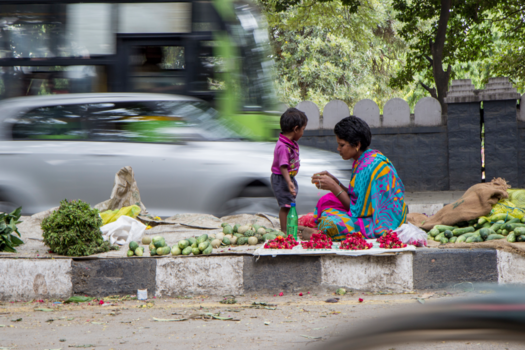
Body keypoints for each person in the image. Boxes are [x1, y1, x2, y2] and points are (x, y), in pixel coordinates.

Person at [310, 116, 407, 241]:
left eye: (341, 145)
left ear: (356, 144)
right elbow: (356, 197)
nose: (338, 149)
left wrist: (334, 187)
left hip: (380, 222)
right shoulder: (362, 161)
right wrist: (335, 181)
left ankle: (318, 233)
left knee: (331, 223)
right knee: (327, 200)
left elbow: (355, 209)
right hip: (365, 213)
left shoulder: (372, 165)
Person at [271, 108, 308, 232]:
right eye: (303, 129)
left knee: (289, 202)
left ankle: (288, 225)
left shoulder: (290, 143)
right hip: (282, 178)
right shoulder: (283, 146)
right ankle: (284, 230)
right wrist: (288, 182)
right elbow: (283, 166)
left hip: (287, 177)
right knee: (286, 206)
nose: (303, 133)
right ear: (296, 129)